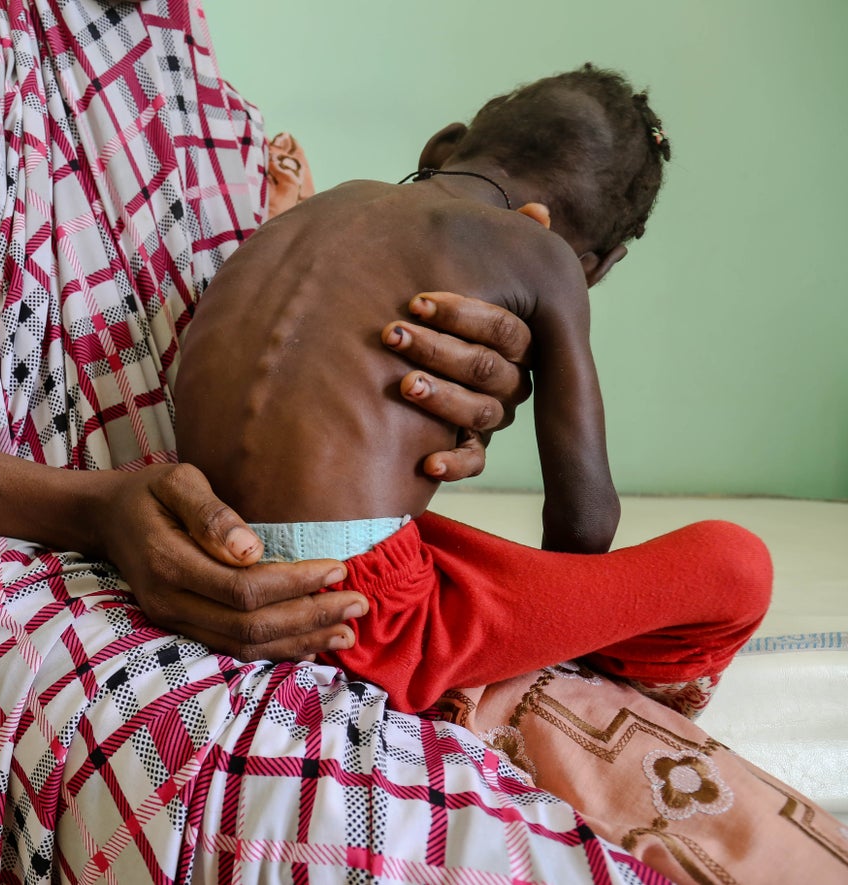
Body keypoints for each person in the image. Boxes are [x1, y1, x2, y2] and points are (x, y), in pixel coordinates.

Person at [0, 3, 846, 883]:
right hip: (21, 558)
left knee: (679, 800)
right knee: (372, 818)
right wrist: (93, 510)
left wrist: (469, 391)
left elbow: (306, 400)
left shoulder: (202, 102)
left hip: (284, 568)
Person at [173, 65, 770, 717]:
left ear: (441, 147)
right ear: (598, 262)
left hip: (197, 546)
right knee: (735, 565)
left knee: (439, 542)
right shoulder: (543, 255)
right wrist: (559, 606)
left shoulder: (324, 205)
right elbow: (585, 525)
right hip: (361, 620)